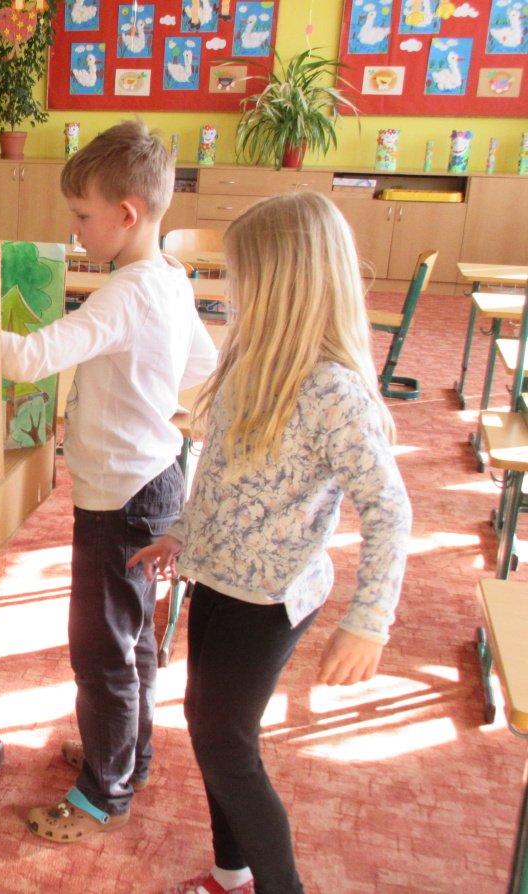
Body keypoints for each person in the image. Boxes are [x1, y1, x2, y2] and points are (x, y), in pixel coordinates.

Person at [129, 190, 413, 894]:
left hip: (272, 599)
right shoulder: (248, 362)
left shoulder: (333, 392)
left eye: (241, 277)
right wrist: (181, 534)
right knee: (208, 726)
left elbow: (389, 510)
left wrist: (369, 621)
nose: (231, 292)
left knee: (226, 745)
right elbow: (220, 472)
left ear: (285, 284)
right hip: (219, 580)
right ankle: (233, 876)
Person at [0, 120, 218, 841]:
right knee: (133, 641)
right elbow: (200, 367)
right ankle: (126, 757)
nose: (74, 228)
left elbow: (30, 358)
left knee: (102, 654)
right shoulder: (169, 278)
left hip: (118, 499)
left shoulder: (125, 294)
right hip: (154, 481)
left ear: (126, 213)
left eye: (81, 215)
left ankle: (104, 792)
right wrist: (137, 394)